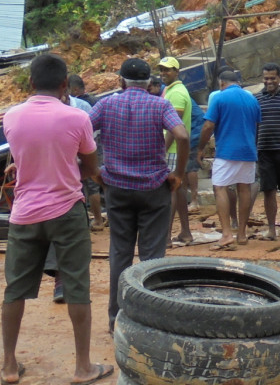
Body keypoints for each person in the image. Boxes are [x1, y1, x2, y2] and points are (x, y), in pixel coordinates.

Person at [0, 54, 113, 385]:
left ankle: (8, 365)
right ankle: (82, 367)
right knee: (77, 286)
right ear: (65, 85)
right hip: (66, 210)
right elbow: (90, 168)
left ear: (30, 83)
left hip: (24, 213)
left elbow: (27, 155)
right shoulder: (77, 117)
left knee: (14, 290)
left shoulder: (11, 117)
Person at [90, 57, 187, 332]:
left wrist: (93, 170)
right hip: (153, 188)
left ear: (121, 81)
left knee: (120, 253)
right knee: (153, 256)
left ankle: (116, 318)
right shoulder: (160, 104)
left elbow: (81, 130)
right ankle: (150, 319)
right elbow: (181, 136)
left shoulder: (106, 104)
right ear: (149, 83)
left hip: (117, 187)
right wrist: (178, 174)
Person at [196, 70, 261, 249]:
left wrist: (200, 148)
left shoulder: (219, 97)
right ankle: (241, 234)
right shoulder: (252, 99)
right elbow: (256, 126)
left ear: (222, 83)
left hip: (227, 151)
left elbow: (208, 125)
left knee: (220, 188)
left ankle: (226, 233)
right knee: (244, 188)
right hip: (248, 150)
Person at [158, 57, 197, 247]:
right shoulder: (173, 91)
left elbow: (174, 128)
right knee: (179, 190)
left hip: (172, 149)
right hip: (176, 150)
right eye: (161, 70)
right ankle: (185, 232)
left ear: (177, 71)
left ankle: (165, 236)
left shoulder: (176, 93)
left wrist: (162, 150)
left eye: (168, 70)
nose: (164, 73)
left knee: (170, 191)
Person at [255, 63, 280, 241]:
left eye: (272, 78)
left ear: (279, 78)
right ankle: (271, 229)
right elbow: (254, 124)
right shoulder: (257, 99)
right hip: (264, 150)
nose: (269, 81)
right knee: (268, 190)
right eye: (266, 78)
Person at [69, 75, 105, 230]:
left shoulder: (82, 104)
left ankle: (96, 220)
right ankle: (94, 219)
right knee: (89, 185)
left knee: (88, 184)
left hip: (85, 147)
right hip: (89, 146)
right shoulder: (88, 102)